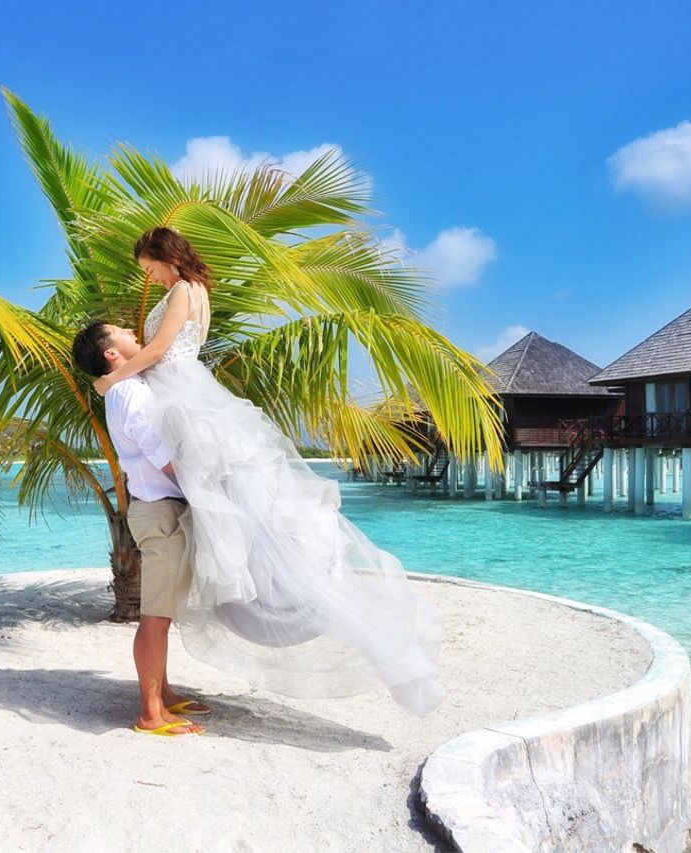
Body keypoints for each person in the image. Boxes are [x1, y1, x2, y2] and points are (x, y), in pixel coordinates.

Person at [90, 227, 446, 717]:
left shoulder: (181, 292)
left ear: (166, 257)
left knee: (235, 501)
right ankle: (164, 691)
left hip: (181, 393)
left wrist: (110, 379)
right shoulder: (194, 290)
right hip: (186, 396)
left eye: (149, 267)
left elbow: (156, 352)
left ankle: (288, 603)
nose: (149, 277)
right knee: (241, 501)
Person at [72, 320, 212, 736]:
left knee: (162, 614)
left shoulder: (125, 385)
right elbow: (162, 455)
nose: (134, 333)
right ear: (111, 353)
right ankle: (150, 714)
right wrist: (211, 488)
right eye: (123, 333)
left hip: (160, 508)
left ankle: (163, 693)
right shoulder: (128, 392)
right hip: (159, 511)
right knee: (156, 616)